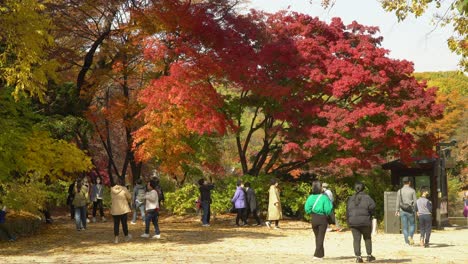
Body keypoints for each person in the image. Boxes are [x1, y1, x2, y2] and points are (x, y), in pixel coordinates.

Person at [346, 181, 376, 263]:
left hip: (353, 222)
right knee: (367, 238)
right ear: (363, 188)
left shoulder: (350, 199)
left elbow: (347, 211)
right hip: (365, 221)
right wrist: (371, 214)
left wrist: (348, 222)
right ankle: (369, 256)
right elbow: (373, 207)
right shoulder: (368, 198)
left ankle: (358, 257)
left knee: (356, 239)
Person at [304, 180, 333, 261]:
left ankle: (321, 254)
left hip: (313, 218)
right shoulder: (324, 197)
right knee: (320, 237)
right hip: (322, 219)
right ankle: (317, 255)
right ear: (320, 188)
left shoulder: (310, 197)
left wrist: (312, 212)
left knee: (317, 237)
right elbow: (328, 209)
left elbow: (307, 209)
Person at [395, 176, 417, 246]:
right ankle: (410, 236)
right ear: (409, 182)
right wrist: (415, 209)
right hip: (410, 210)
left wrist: (397, 210)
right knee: (412, 225)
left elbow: (397, 202)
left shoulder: (399, 191)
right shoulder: (412, 191)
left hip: (402, 210)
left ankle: (407, 242)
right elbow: (415, 202)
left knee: (404, 227)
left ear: (403, 183)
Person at [110, 179, 132, 244]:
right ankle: (126, 236)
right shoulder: (124, 189)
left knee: (116, 224)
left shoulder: (112, 189)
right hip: (123, 209)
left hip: (115, 209)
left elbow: (111, 198)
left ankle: (116, 239)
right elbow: (129, 197)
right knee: (124, 224)